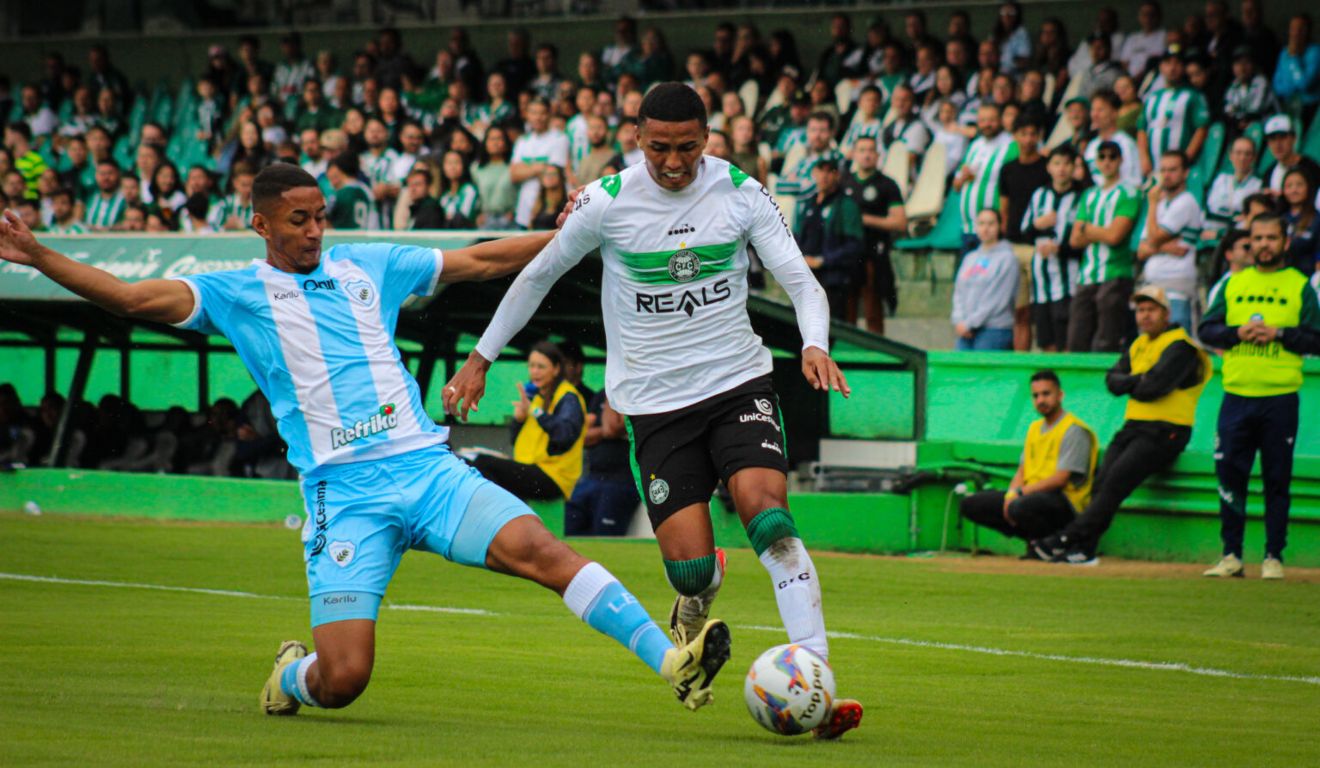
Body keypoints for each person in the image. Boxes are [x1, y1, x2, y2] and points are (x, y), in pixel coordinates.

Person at [0, 164, 731, 717]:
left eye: (320, 217)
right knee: (343, 680)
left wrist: (580, 231)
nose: (315, 231)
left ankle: (672, 661)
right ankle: (291, 673)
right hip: (343, 495)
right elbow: (131, 299)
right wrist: (39, 257)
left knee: (546, 552)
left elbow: (480, 259)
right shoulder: (235, 293)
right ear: (261, 226)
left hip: (425, 470)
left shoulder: (369, 265)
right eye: (297, 221)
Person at [442, 82, 862, 741]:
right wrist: (482, 356)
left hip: (736, 385)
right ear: (638, 138)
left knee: (769, 517)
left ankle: (818, 677)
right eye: (660, 147)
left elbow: (802, 281)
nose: (674, 161)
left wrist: (814, 343)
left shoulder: (740, 192)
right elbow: (538, 275)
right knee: (689, 567)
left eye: (689, 148)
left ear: (707, 140)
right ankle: (700, 589)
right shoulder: (606, 203)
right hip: (655, 409)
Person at [1034, 286, 1211, 564]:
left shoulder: (1182, 347)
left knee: (1116, 483)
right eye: (1140, 310)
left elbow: (1154, 387)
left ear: (1166, 313)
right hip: (1135, 426)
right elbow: (1112, 381)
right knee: (1102, 482)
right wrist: (1138, 381)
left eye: (1151, 310)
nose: (1145, 316)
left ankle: (1066, 538)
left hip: (1167, 429)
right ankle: (1084, 549)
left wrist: (1133, 382)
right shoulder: (1138, 344)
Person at [1200, 214, 1320, 579]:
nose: (1264, 244)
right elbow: (1207, 329)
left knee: (1276, 478)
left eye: (1271, 238)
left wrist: (1280, 334)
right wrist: (1238, 332)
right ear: (1249, 242)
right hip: (1236, 394)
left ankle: (1273, 557)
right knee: (1229, 476)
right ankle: (1232, 555)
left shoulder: (1300, 287)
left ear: (1285, 242)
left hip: (1280, 397)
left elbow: (1316, 339)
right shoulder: (1232, 285)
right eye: (1258, 238)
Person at [960, 370, 1097, 549]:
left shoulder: (1074, 430)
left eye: (1046, 394)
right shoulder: (1034, 428)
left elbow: (1061, 478)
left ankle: (1054, 544)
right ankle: (1034, 541)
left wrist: (1021, 494)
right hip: (1032, 496)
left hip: (1065, 503)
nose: (1041, 400)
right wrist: (1011, 494)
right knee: (971, 504)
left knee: (1021, 506)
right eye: (1036, 396)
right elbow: (1022, 470)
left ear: (1060, 395)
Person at [472, 341, 586, 501]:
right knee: (469, 461)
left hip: (554, 476)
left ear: (556, 369)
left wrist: (536, 412)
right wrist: (519, 420)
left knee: (483, 463)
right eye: (531, 366)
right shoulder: (536, 396)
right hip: (530, 469)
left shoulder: (568, 397)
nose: (534, 372)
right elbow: (514, 441)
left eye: (541, 367)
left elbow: (564, 436)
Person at [1068, 140, 1139, 352]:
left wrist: (1088, 229)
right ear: (1096, 162)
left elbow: (1115, 236)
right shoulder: (1089, 195)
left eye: (1112, 157)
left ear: (1121, 160)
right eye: (1102, 157)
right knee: (1076, 341)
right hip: (1087, 275)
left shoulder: (1129, 193)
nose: (1107, 162)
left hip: (1115, 273)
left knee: (1106, 341)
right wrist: (1101, 232)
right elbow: (1074, 240)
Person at [1022, 145, 1084, 351]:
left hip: (1069, 282)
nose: (1062, 169)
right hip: (1041, 283)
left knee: (1065, 340)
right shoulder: (1040, 195)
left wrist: (1060, 249)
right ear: (1049, 167)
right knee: (1045, 341)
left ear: (1074, 167)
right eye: (1057, 163)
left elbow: (1086, 241)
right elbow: (1025, 232)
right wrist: (1038, 225)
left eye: (1067, 163)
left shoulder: (1082, 197)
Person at [842, 136, 905, 334]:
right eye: (862, 150)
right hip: (846, 255)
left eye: (871, 150)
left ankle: (877, 357)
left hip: (873, 254)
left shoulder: (887, 185)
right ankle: (846, 355)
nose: (867, 155)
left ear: (877, 155)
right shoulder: (844, 183)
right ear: (854, 154)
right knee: (846, 310)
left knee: (873, 309)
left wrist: (865, 220)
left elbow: (900, 221)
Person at [1136, 150, 1204, 333]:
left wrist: (1151, 204)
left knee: (1176, 348)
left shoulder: (1186, 202)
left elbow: (1153, 238)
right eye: (1163, 170)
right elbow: (1141, 250)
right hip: (1152, 289)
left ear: (1185, 173)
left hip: (1177, 290)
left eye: (1173, 170)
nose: (1166, 175)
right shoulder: (1160, 205)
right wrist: (1166, 247)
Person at [999, 115, 1050, 351]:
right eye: (1024, 134)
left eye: (1033, 134)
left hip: (1040, 245)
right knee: (1020, 310)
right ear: (1015, 136)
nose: (1029, 139)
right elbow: (1004, 207)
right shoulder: (1008, 169)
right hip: (1014, 245)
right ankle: (1023, 358)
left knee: (1042, 309)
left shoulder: (1047, 167)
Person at [796, 155, 865, 320]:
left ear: (837, 175)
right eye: (821, 171)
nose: (824, 176)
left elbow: (854, 246)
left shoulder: (846, 205)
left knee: (830, 328)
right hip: (807, 278)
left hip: (833, 280)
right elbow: (797, 238)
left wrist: (823, 261)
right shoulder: (808, 204)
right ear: (813, 173)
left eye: (830, 171)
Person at [564, 386, 639, 537]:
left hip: (621, 481)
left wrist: (612, 392)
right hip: (592, 478)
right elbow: (583, 437)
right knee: (570, 530)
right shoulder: (601, 393)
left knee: (604, 537)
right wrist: (605, 432)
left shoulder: (633, 391)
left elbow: (612, 427)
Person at [952, 102, 1018, 257]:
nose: (986, 125)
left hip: (993, 230)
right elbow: (956, 185)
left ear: (1001, 120)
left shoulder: (1011, 145)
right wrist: (962, 178)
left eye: (992, 120)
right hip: (969, 228)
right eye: (982, 120)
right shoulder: (975, 146)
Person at [1137, 48, 1210, 178]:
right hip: (1153, 169)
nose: (1172, 68)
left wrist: (1185, 160)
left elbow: (1202, 129)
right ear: (1161, 67)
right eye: (1168, 63)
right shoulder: (1151, 97)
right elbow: (1142, 128)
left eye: (1177, 63)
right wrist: (1143, 158)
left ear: (1183, 68)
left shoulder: (1193, 96)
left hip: (1181, 172)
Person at [952, 210, 1018, 351]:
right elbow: (958, 291)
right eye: (981, 223)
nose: (986, 228)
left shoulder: (1007, 259)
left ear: (1000, 226)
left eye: (991, 224)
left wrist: (970, 323)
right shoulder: (970, 258)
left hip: (994, 329)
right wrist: (959, 320)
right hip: (965, 330)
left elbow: (997, 299)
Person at [511, 98, 570, 229]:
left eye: (542, 113)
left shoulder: (560, 138)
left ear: (549, 114)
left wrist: (525, 167)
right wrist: (539, 167)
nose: (538, 117)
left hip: (550, 212)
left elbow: (553, 174)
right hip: (524, 212)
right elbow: (513, 175)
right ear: (527, 115)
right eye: (533, 113)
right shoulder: (522, 141)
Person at [1204, 137, 1262, 238]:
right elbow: (1210, 210)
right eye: (1238, 153)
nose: (1242, 158)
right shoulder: (1220, 179)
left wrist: (1220, 233)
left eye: (1247, 154)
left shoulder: (1258, 185)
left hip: (1236, 236)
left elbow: (1248, 220)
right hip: (1210, 230)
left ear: (1254, 158)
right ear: (1231, 155)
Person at [1083, 90, 1142, 188]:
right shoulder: (1092, 145)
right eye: (1093, 110)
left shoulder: (1126, 144)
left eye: (1100, 110)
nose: (1095, 115)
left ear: (1114, 113)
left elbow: (1133, 181)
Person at [1258, 114, 1320, 197]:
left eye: (1282, 138)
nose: (1277, 144)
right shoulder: (1269, 172)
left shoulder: (1311, 168)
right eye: (1273, 139)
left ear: (1294, 138)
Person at [1280, 168, 1320, 275]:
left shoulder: (1317, 219)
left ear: (1309, 187)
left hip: (1307, 277)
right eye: (1289, 186)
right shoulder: (1279, 219)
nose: (1294, 190)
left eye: (1299, 185)